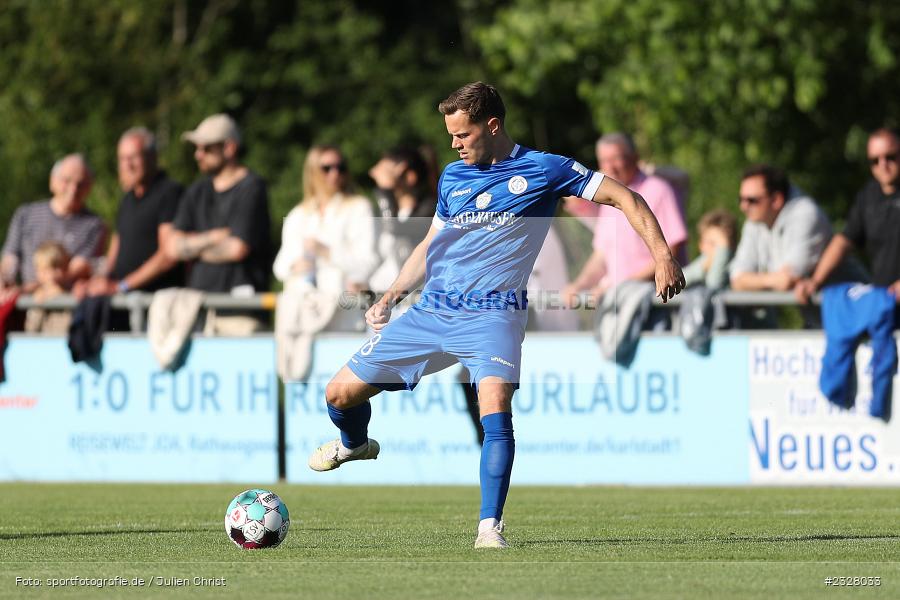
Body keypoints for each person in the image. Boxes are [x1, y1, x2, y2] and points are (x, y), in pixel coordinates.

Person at [305, 82, 685, 549]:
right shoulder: (451, 177)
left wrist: (663, 255)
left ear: (492, 125)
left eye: (461, 135)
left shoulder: (546, 169)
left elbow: (627, 197)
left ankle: (490, 528)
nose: (453, 144)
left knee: (494, 405)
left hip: (494, 315)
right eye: (449, 135)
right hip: (434, 309)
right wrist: (390, 297)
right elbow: (430, 246)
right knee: (338, 394)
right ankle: (354, 445)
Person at [166, 114, 272, 335]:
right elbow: (171, 247)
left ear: (229, 148)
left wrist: (192, 248)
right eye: (197, 148)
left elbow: (237, 249)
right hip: (198, 310)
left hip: (240, 313)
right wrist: (214, 237)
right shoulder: (197, 191)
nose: (198, 155)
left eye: (205, 148)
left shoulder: (252, 187)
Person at [563, 132, 687, 304]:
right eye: (604, 161)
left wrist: (621, 286)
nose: (610, 167)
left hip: (656, 301)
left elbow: (673, 248)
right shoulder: (608, 198)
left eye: (616, 159)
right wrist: (579, 285)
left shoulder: (659, 190)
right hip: (619, 302)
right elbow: (602, 256)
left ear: (634, 158)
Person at [795, 128, 900, 318]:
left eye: (890, 157)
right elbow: (843, 241)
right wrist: (815, 281)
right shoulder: (868, 196)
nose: (883, 165)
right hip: (884, 308)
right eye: (874, 160)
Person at [273, 145, 377, 331]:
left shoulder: (359, 207)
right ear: (312, 172)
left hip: (346, 318)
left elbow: (368, 263)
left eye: (341, 167)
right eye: (327, 168)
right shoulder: (298, 214)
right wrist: (294, 266)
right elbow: (280, 267)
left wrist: (327, 252)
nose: (335, 174)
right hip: (303, 317)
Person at [84, 127, 184, 301]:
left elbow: (168, 255)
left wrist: (121, 286)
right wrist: (97, 282)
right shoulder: (127, 200)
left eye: (133, 157)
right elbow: (116, 248)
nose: (127, 165)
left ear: (152, 157)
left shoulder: (170, 193)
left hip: (156, 302)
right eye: (122, 159)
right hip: (124, 301)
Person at [1, 154, 106, 293]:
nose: (73, 189)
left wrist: (25, 290)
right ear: (53, 182)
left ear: (89, 188)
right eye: (67, 181)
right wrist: (5, 279)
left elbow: (74, 271)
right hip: (23, 305)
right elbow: (10, 256)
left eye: (80, 184)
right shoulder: (25, 215)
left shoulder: (94, 225)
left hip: (64, 307)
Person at [729, 164, 836, 291]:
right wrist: (772, 279)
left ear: (776, 200)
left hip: (849, 306)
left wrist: (754, 280)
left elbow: (787, 280)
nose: (743, 207)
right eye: (741, 199)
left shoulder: (806, 215)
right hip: (822, 308)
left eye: (752, 200)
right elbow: (736, 279)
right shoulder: (755, 222)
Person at [368, 145, 437, 297]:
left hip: (414, 301)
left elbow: (393, 228)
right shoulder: (390, 211)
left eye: (388, 171)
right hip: (384, 300)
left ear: (410, 176)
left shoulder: (430, 209)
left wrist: (384, 190)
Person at [24, 241, 73, 334]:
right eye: (45, 269)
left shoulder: (72, 295)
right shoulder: (36, 295)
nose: (52, 274)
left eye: (57, 268)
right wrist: (38, 306)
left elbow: (68, 327)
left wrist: (59, 297)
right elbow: (31, 330)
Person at [682, 209, 737, 291]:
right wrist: (703, 267)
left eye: (721, 246)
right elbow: (678, 280)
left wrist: (723, 252)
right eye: (711, 243)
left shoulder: (735, 266)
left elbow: (714, 284)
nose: (717, 251)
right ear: (701, 245)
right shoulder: (703, 262)